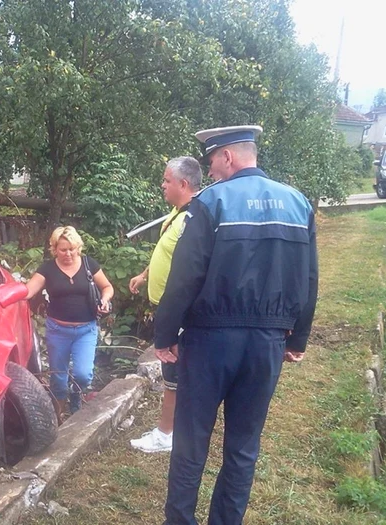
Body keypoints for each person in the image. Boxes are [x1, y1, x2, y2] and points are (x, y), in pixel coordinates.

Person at [153, 125, 318, 525]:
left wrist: (164, 335)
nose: (209, 172)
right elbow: (309, 277)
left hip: (211, 340)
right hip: (267, 344)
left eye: (211, 162)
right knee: (244, 447)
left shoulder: (211, 203)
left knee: (191, 442)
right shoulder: (298, 203)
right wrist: (298, 337)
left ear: (227, 156)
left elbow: (185, 276)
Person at [128, 156, 202, 454]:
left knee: (171, 372)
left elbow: (191, 269)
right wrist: (146, 274)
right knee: (176, 370)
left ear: (183, 184)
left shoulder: (194, 220)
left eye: (166, 180)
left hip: (179, 309)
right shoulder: (178, 212)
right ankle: (176, 428)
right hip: (167, 305)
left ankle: (166, 434)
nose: (162, 185)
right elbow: (168, 254)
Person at [25, 226, 114, 415]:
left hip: (86, 330)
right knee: (58, 379)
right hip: (58, 331)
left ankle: (76, 394)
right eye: (63, 249)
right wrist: (10, 292)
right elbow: (29, 290)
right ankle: (58, 417)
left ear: (78, 247)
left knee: (83, 375)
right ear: (54, 249)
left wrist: (105, 299)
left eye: (71, 249)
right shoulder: (47, 269)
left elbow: (107, 287)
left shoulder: (89, 264)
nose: (68, 253)